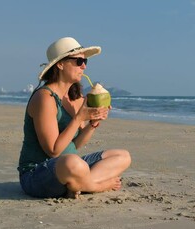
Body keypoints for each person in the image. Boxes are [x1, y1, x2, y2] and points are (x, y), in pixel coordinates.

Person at [18, 37, 131, 199]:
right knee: (74, 163)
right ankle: (94, 186)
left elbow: (75, 144)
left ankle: (79, 184)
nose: (84, 66)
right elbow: (53, 150)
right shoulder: (45, 98)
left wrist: (92, 123)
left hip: (68, 165)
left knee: (123, 156)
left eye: (85, 61)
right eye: (78, 61)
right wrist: (78, 118)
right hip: (37, 174)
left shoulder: (75, 98)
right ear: (60, 64)